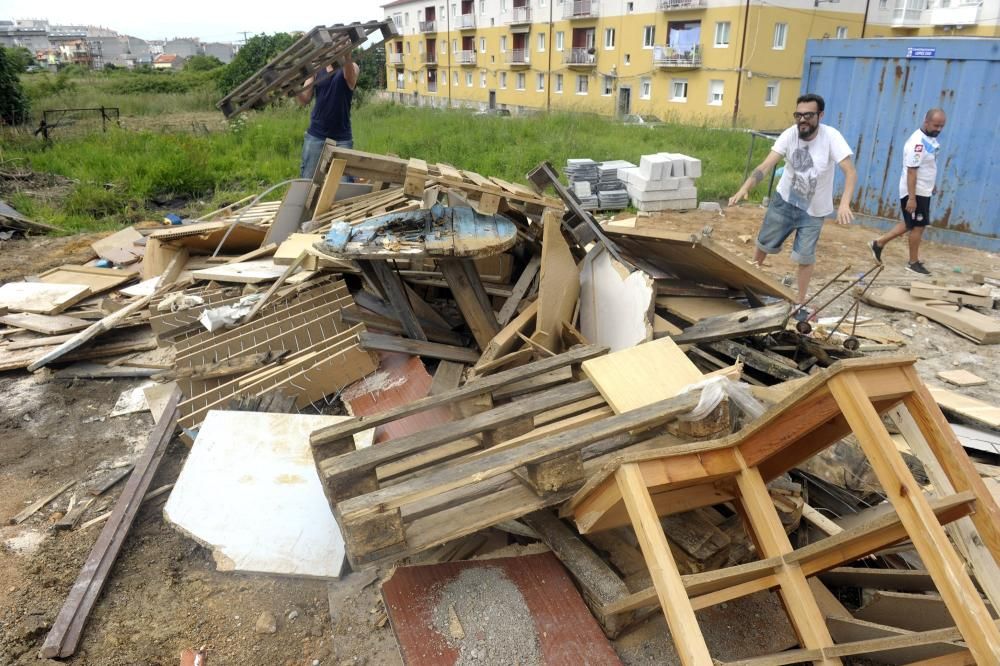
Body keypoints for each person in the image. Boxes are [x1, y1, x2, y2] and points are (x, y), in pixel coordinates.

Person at [728, 93, 857, 312]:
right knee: (764, 244)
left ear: (820, 115)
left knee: (805, 256)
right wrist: (745, 187)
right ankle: (749, 284)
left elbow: (850, 172)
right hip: (785, 201)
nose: (802, 120)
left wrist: (844, 204)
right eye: (798, 115)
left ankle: (800, 299)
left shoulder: (831, 137)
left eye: (808, 115)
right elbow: (767, 165)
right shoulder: (789, 135)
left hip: (813, 210)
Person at [869, 109, 946, 276]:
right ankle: (913, 263)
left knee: (909, 223)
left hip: (922, 190)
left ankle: (878, 243)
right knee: (918, 227)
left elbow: (928, 165)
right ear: (926, 122)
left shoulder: (929, 139)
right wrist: (912, 198)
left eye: (942, 126)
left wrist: (931, 185)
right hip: (915, 191)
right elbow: (912, 171)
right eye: (936, 125)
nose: (939, 129)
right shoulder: (917, 143)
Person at [297, 51, 360, 179]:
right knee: (308, 180)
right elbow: (304, 99)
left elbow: (350, 81)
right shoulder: (316, 69)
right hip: (316, 134)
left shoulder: (352, 66)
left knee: (343, 184)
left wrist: (347, 54)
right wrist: (293, 89)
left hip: (341, 137)